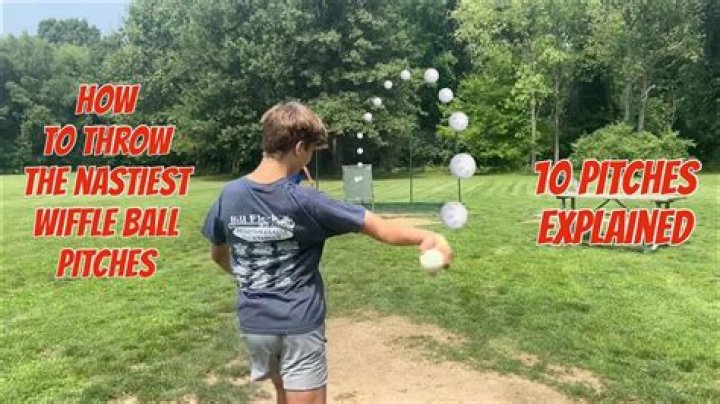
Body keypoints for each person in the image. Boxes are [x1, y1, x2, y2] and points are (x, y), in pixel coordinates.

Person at [201, 101, 452, 404]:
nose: (310, 157)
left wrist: (253, 276)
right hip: (298, 324)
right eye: (311, 150)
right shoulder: (307, 202)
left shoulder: (228, 195)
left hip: (255, 324)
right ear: (299, 148)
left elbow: (218, 254)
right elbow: (380, 228)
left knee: (282, 393)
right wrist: (428, 235)